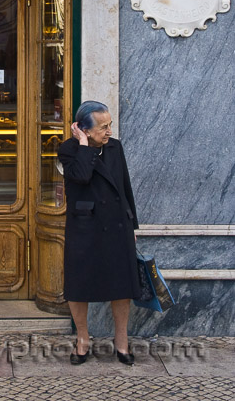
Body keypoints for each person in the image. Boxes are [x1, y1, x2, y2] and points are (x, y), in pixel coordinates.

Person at [58, 100, 141, 366]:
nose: (108, 131)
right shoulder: (68, 150)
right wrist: (83, 145)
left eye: (110, 126)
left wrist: (133, 225)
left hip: (117, 225)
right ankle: (83, 339)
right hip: (84, 227)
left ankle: (121, 340)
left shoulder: (115, 147)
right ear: (83, 129)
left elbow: (124, 186)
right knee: (78, 286)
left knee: (121, 285)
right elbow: (81, 176)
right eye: (103, 127)